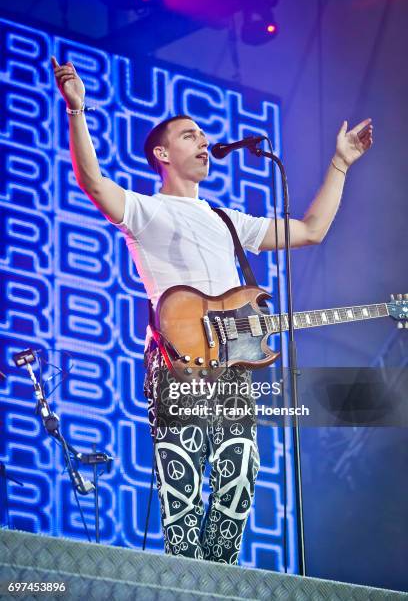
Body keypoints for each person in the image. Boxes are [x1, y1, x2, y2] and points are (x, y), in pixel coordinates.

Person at [51, 56, 373, 564]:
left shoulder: (227, 219)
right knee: (182, 495)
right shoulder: (146, 209)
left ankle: (216, 583)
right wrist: (77, 111)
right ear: (162, 152)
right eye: (189, 135)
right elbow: (93, 182)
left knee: (238, 482)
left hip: (233, 368)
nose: (203, 141)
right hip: (177, 364)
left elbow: (310, 230)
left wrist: (339, 164)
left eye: (203, 135)